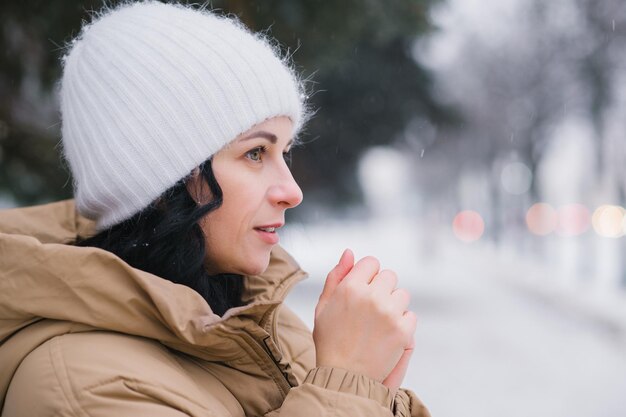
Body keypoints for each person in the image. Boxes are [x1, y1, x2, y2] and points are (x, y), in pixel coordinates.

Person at [0, 2, 430, 416]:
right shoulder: (83, 388)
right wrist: (346, 382)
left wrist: (374, 393)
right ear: (161, 180)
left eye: (286, 151)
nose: (291, 190)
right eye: (256, 152)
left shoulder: (254, 324)